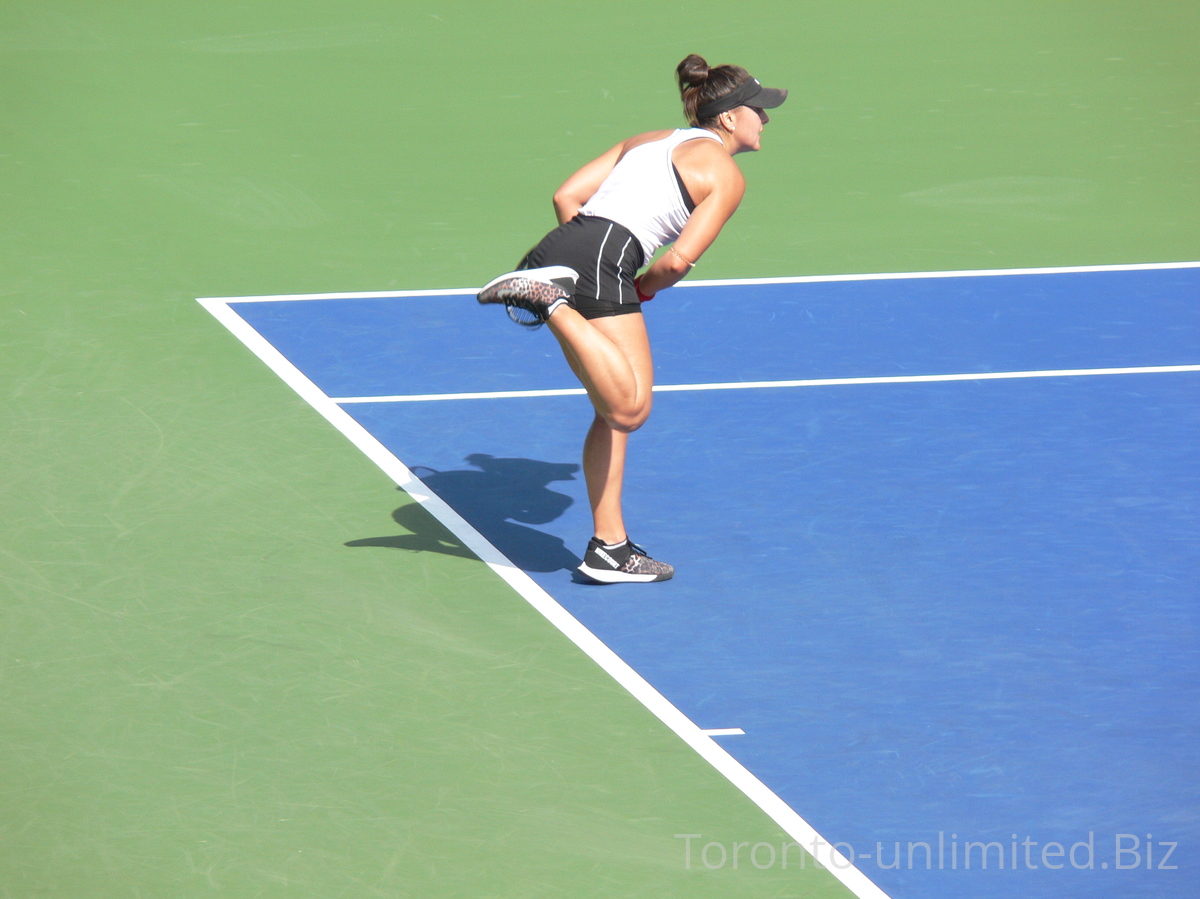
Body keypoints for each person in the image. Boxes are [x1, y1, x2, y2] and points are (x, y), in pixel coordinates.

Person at [478, 53, 786, 584]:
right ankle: (546, 298)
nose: (767, 118)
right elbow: (675, 261)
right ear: (731, 117)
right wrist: (634, 288)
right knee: (632, 409)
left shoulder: (647, 139)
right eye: (760, 109)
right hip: (604, 258)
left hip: (569, 243)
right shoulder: (726, 175)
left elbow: (566, 195)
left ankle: (609, 548)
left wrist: (582, 260)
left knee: (610, 408)